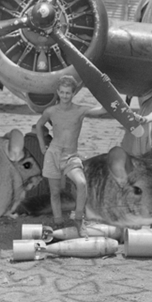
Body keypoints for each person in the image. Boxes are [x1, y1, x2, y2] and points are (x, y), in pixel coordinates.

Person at [36, 75, 108, 236]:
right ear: (57, 92)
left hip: (71, 156)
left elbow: (103, 110)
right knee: (54, 192)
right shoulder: (51, 111)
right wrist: (42, 145)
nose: (64, 95)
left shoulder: (80, 110)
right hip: (53, 154)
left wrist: (105, 86)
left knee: (81, 183)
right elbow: (39, 125)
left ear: (73, 93)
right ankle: (58, 222)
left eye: (68, 93)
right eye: (61, 92)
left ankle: (78, 219)